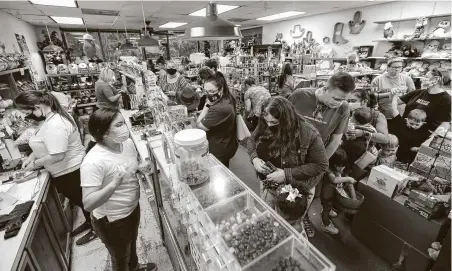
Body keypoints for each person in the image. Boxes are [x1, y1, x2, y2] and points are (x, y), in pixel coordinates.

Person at [14, 91, 96, 246]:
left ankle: (97, 229)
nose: (27, 116)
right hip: (67, 171)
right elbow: (43, 141)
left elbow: (58, 155)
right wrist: (33, 155)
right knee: (82, 201)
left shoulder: (55, 124)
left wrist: (35, 164)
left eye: (27, 112)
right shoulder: (50, 118)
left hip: (71, 171)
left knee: (85, 202)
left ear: (37, 107)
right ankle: (90, 222)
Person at [81, 109, 157, 271]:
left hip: (131, 208)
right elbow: (88, 203)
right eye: (119, 124)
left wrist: (139, 168)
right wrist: (114, 183)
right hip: (113, 221)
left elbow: (129, 166)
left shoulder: (127, 144)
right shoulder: (93, 162)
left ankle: (135, 267)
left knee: (132, 244)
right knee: (121, 258)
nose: (125, 128)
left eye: (124, 122)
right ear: (104, 132)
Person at [288, 71, 354, 238]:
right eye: (336, 98)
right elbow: (282, 122)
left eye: (344, 100)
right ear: (325, 88)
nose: (339, 103)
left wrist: (320, 164)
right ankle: (282, 221)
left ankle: (302, 219)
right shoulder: (299, 95)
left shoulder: (343, 109)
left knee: (306, 195)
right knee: (285, 190)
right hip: (289, 155)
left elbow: (335, 140)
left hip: (314, 159)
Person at [247, 97, 328, 229]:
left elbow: (321, 165)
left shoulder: (308, 132)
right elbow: (251, 140)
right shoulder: (265, 122)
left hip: (295, 191)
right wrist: (254, 158)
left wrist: (286, 174)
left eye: (274, 122)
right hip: (269, 186)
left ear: (286, 119)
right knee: (269, 220)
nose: (269, 125)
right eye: (266, 121)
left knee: (289, 227)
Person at [196, 71, 238, 167]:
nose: (208, 94)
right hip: (226, 142)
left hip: (218, 148)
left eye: (212, 91)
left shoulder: (220, 108)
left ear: (221, 89)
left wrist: (207, 105)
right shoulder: (227, 97)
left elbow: (200, 125)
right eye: (206, 91)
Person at [321, 148, 356, 235]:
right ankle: (326, 224)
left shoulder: (336, 170)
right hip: (326, 195)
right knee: (326, 208)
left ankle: (329, 211)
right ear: (335, 165)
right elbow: (334, 180)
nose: (343, 168)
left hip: (331, 194)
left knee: (329, 205)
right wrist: (348, 179)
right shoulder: (328, 170)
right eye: (341, 166)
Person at [389, 95, 430, 163]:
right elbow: (394, 109)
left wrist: (418, 149)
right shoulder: (400, 122)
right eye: (411, 123)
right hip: (391, 151)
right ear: (407, 119)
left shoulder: (423, 132)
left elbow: (413, 148)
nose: (413, 126)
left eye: (417, 125)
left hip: (405, 158)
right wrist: (395, 96)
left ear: (423, 123)